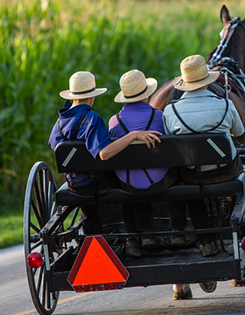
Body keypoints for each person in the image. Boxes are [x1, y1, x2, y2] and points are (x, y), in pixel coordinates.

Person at [48, 71, 161, 236]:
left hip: (75, 184)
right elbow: (104, 154)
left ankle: (94, 235)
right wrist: (133, 135)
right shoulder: (92, 119)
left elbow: (54, 145)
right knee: (123, 178)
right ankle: (134, 234)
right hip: (97, 184)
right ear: (92, 96)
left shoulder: (59, 122)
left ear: (72, 96)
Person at [163, 55, 245, 257]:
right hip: (225, 172)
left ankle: (207, 241)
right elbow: (240, 133)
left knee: (191, 184)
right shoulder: (225, 104)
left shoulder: (171, 111)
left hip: (192, 173)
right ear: (208, 80)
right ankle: (235, 226)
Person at [108, 69, 187, 257]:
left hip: (129, 184)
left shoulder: (114, 122)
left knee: (129, 179)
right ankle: (178, 232)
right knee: (179, 173)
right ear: (147, 94)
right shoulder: (160, 117)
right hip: (160, 181)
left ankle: (136, 239)